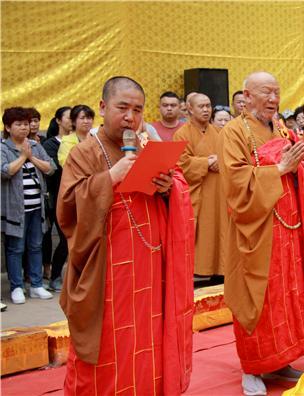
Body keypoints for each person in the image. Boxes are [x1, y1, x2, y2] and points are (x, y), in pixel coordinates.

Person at [57, 76, 194, 395]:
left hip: (151, 268)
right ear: (103, 107)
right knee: (111, 346)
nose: (131, 117)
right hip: (108, 273)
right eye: (122, 108)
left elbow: (178, 186)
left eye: (138, 109)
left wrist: (167, 189)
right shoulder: (85, 153)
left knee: (149, 340)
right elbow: (67, 209)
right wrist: (109, 179)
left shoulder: (148, 145)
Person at [218, 72, 304, 396]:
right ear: (246, 96)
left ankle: (281, 359)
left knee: (287, 296)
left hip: (289, 230)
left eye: (276, 93)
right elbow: (236, 184)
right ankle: (252, 367)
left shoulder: (280, 127)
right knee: (258, 299)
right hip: (257, 231)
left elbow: (303, 165)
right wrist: (278, 169)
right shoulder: (233, 132)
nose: (273, 99)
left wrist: (299, 164)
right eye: (266, 93)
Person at [2, 107, 56, 304]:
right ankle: (17, 286)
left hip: (36, 207)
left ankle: (36, 285)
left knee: (36, 246)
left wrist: (31, 155)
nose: (25, 127)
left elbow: (50, 168)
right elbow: (5, 171)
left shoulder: (35, 145)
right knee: (15, 248)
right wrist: (24, 157)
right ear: (8, 127)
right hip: (15, 209)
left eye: (26, 124)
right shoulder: (3, 147)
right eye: (19, 124)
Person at [173, 93, 227, 277]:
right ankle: (200, 270)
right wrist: (206, 163)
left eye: (208, 106)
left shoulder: (219, 132)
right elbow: (180, 164)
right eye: (201, 106)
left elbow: (228, 156)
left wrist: (219, 161)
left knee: (221, 229)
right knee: (202, 232)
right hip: (198, 193)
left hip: (219, 192)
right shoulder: (181, 134)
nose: (206, 110)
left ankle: (221, 269)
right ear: (189, 108)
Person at [42, 106, 71, 291]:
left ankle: (57, 276)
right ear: (58, 121)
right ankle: (52, 276)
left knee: (68, 240)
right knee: (56, 238)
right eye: (69, 117)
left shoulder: (82, 142)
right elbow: (54, 171)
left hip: (73, 197)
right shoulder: (50, 144)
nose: (73, 120)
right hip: (54, 197)